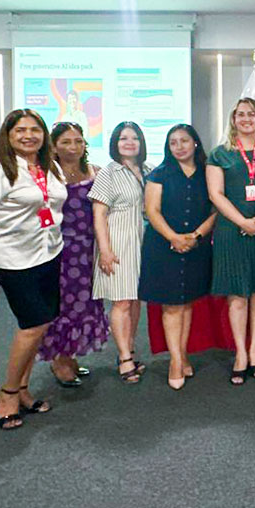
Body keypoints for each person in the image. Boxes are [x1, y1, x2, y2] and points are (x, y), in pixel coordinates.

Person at [0, 109, 66, 431]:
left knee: (42, 322)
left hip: (49, 253)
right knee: (32, 325)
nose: (28, 135)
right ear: (7, 136)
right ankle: (7, 393)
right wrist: (0, 256)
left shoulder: (50, 167)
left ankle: (22, 388)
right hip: (14, 262)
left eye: (35, 129)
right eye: (19, 130)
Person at [207, 98, 255, 386]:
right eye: (241, 114)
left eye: (252, 114)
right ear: (233, 119)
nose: (246, 119)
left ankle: (254, 352)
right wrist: (243, 222)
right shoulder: (220, 154)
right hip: (231, 232)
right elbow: (216, 194)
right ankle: (240, 353)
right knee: (238, 294)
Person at [140, 124, 214, 390]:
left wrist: (196, 236)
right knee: (172, 305)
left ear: (195, 143)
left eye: (184, 141)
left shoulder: (208, 173)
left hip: (197, 245)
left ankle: (182, 354)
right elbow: (152, 211)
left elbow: (216, 209)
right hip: (163, 247)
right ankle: (175, 360)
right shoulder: (159, 174)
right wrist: (174, 237)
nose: (179, 146)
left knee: (187, 303)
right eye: (173, 142)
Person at [39, 122, 106, 388]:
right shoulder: (46, 175)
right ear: (53, 146)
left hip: (88, 250)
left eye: (78, 141)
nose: (73, 147)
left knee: (84, 302)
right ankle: (59, 359)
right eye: (66, 142)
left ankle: (71, 354)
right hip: (58, 250)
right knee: (62, 305)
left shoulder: (94, 172)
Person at [91, 121, 151, 384]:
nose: (129, 142)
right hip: (117, 242)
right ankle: (124, 358)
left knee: (135, 300)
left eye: (134, 138)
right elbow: (99, 213)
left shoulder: (148, 171)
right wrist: (104, 249)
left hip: (143, 242)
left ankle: (131, 350)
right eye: (123, 138)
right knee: (121, 302)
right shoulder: (109, 172)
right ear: (115, 144)